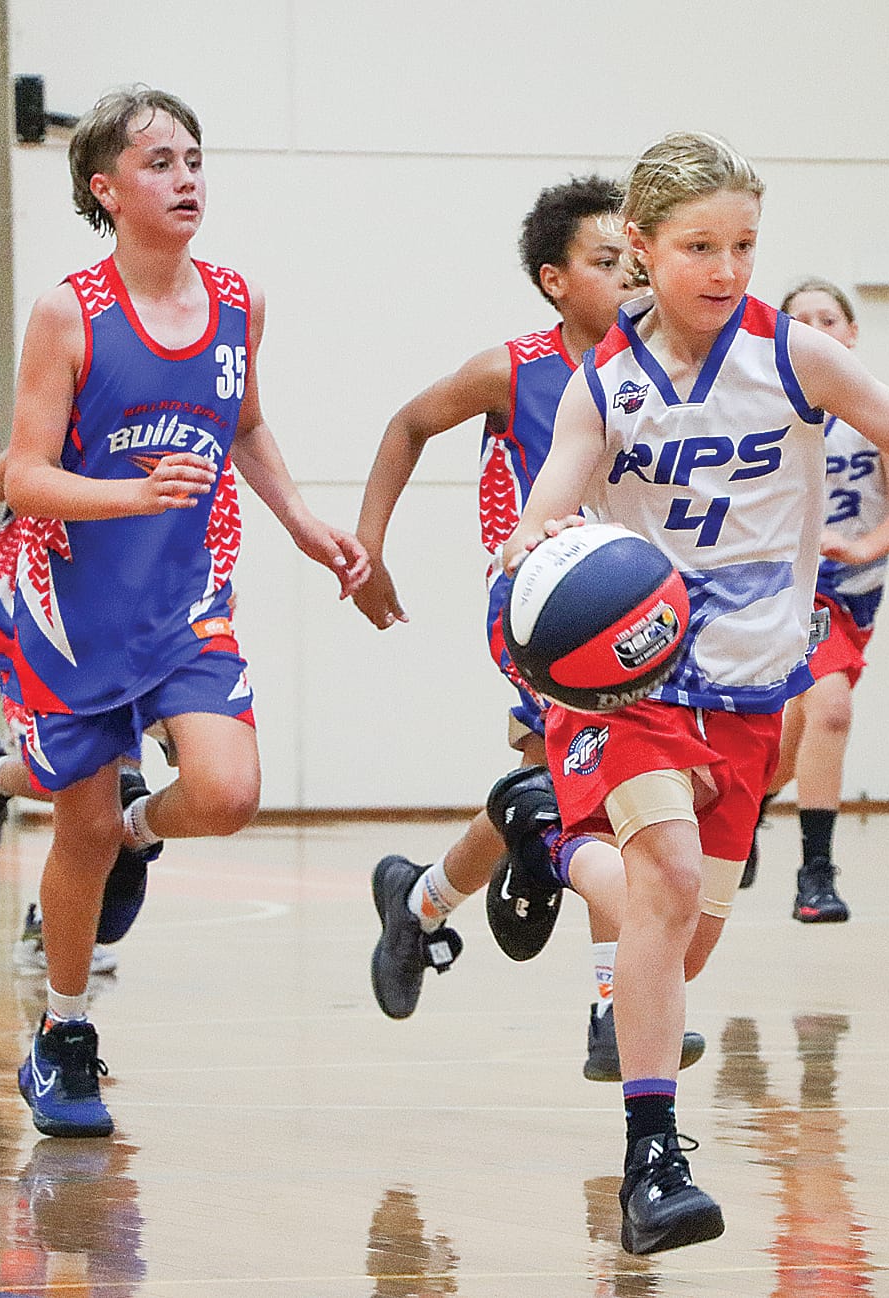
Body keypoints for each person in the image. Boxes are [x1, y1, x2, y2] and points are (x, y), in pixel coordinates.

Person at [500, 131, 889, 1255]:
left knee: (677, 943)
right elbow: (544, 505)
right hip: (633, 682)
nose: (726, 268)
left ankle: (544, 834)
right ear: (639, 246)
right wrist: (528, 551)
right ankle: (654, 1159)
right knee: (668, 879)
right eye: (698, 246)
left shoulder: (796, 358)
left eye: (743, 245)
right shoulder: (606, 382)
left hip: (748, 689)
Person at [3, 85, 367, 1138]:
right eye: (159, 162)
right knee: (73, 830)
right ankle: (65, 1031)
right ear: (105, 189)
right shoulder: (69, 310)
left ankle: (139, 828)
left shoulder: (238, 300)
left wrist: (299, 518)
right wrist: (128, 492)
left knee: (227, 788)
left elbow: (245, 425)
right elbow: (25, 476)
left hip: (185, 599)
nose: (186, 177)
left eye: (195, 158)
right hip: (72, 606)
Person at [354, 177, 703, 1080]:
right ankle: (605, 1006)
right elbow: (407, 423)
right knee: (600, 782)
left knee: (555, 786)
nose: (630, 278)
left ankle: (423, 902)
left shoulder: (664, 367)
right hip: (539, 609)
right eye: (605, 263)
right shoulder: (514, 368)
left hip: (629, 606)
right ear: (553, 280)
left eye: (636, 262)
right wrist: (369, 546)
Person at [0, 451, 240, 974]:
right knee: (82, 781)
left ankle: (63, 900)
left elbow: (209, 543)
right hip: (34, 613)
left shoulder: (183, 436)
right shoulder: (56, 435)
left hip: (122, 616)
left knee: (115, 798)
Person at [742, 279, 889, 922]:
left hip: (852, 591)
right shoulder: (761, 410)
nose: (817, 328)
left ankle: (749, 811)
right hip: (787, 587)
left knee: (792, 744)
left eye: (829, 317)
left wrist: (862, 545)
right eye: (801, 320)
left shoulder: (877, 414)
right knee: (832, 710)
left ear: (851, 335)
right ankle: (816, 874)